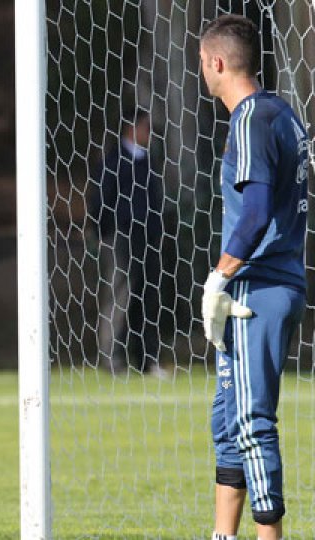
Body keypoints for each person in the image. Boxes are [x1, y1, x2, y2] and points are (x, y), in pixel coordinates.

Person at [198, 14, 308, 540]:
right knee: (228, 420)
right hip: (277, 282)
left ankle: (270, 536)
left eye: (201, 62)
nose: (201, 71)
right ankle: (223, 535)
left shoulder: (250, 119)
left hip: (256, 287)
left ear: (216, 62)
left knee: (251, 423)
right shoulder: (283, 113)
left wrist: (219, 276)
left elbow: (258, 209)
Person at [88, 108, 164, 374]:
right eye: (146, 128)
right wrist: (104, 234)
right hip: (119, 236)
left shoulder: (147, 160)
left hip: (148, 236)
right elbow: (99, 199)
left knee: (147, 295)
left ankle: (147, 360)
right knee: (119, 295)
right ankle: (112, 361)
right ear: (131, 129)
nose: (150, 134)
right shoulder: (113, 160)